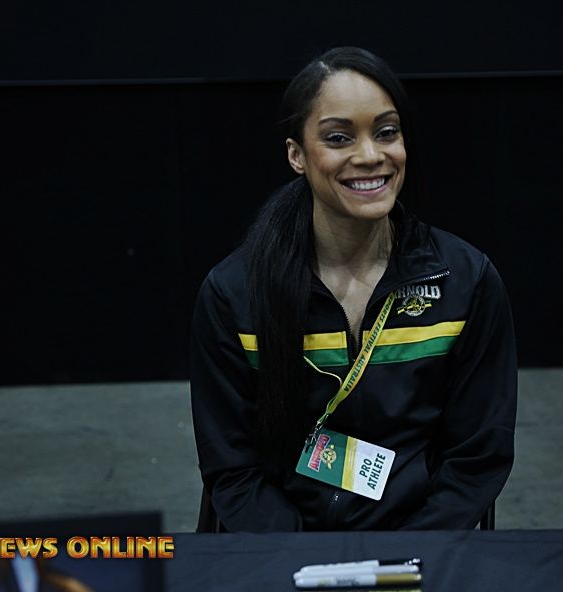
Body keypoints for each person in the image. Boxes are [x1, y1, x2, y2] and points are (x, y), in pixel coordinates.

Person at [190, 47, 516, 532]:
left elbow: (476, 459)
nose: (369, 156)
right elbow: (233, 469)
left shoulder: (465, 281)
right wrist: (304, 561)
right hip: (285, 550)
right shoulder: (233, 294)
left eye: (386, 132)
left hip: (422, 546)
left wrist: (406, 559)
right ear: (297, 155)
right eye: (339, 138)